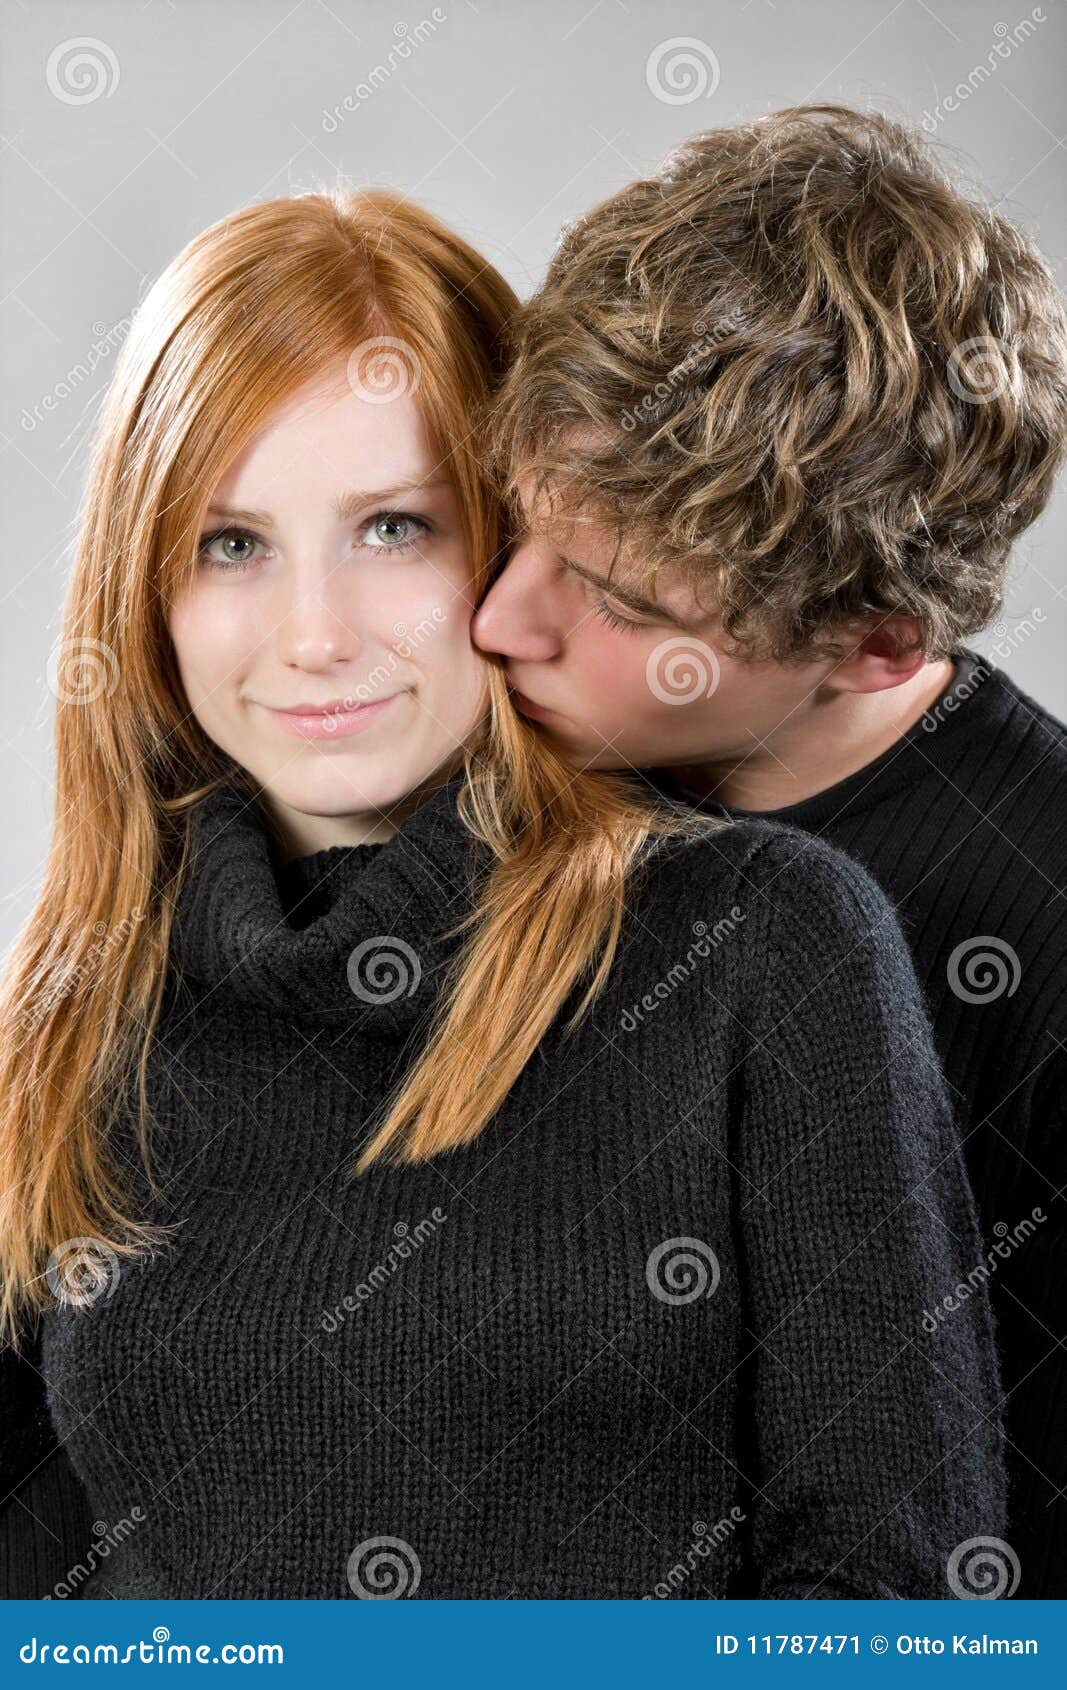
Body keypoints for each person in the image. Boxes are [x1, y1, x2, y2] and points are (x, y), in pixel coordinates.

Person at [0, 183, 1005, 1601]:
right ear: (142, 594)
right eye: (231, 544)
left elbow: (893, 1595)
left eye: (395, 528)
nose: (314, 634)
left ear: (515, 522)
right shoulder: (79, 1014)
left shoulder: (762, 937)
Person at [471, 104, 1067, 1597]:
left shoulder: (1041, 929)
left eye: (623, 603)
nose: (496, 622)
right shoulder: (504, 745)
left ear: (872, 647)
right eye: (516, 522)